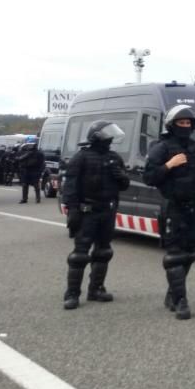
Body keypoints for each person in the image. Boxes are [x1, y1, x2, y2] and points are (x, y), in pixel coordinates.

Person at [144, 105, 195, 319]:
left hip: (194, 208)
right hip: (173, 207)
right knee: (175, 256)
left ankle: (172, 293)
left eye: (188, 123)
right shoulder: (161, 147)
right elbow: (149, 177)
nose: (185, 126)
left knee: (190, 254)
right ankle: (181, 300)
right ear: (172, 124)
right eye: (181, 123)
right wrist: (169, 165)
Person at [61, 121, 130, 310]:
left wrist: (121, 177)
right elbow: (70, 186)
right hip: (86, 212)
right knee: (79, 255)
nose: (109, 138)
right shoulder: (81, 158)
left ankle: (96, 289)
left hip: (107, 211)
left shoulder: (114, 158)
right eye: (106, 134)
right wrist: (72, 209)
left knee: (103, 252)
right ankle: (72, 294)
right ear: (96, 136)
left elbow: (124, 185)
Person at [16, 138, 45, 203]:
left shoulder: (29, 153)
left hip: (29, 171)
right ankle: (37, 199)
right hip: (35, 171)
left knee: (25, 185)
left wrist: (18, 159)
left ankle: (24, 199)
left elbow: (20, 159)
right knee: (35, 185)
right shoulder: (40, 154)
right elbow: (42, 163)